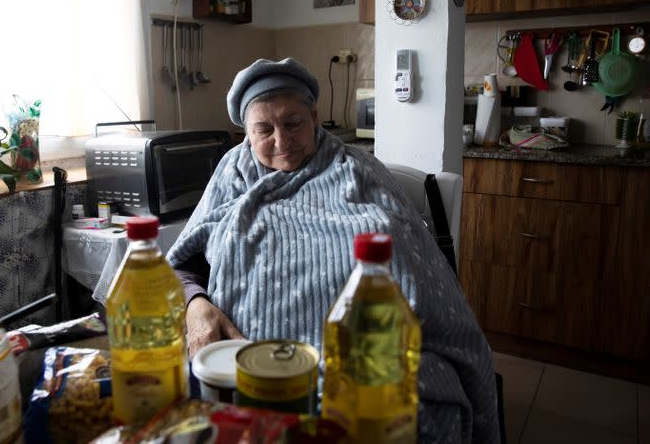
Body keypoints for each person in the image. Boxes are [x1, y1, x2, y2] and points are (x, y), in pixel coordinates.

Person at [167, 58, 499, 442]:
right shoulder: (232, 172)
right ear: (245, 133)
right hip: (241, 368)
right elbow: (181, 263)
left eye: (293, 123)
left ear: (314, 115)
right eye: (263, 129)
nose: (281, 140)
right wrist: (195, 304)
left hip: (366, 355)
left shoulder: (358, 168)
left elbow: (415, 259)